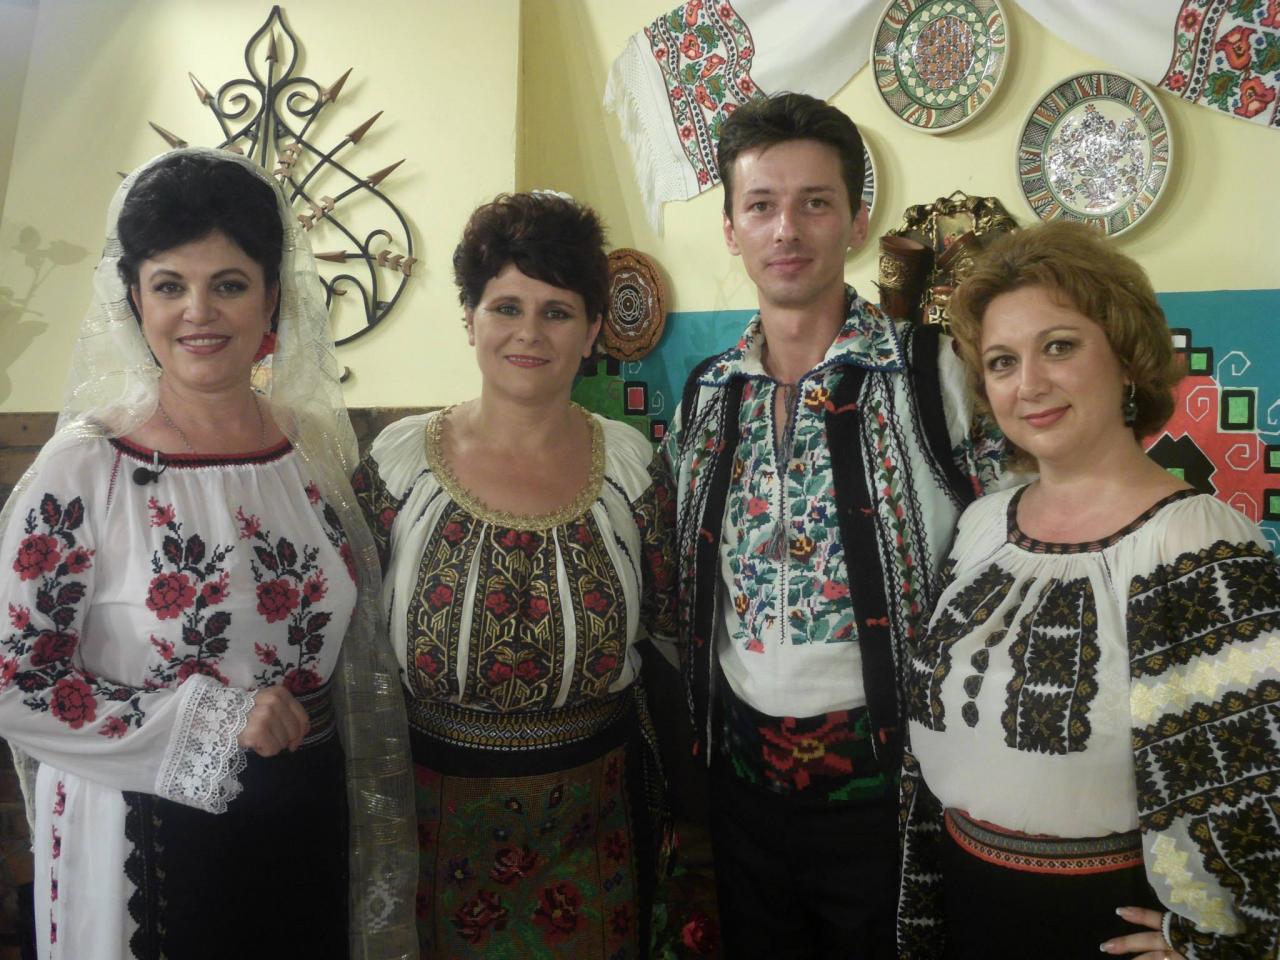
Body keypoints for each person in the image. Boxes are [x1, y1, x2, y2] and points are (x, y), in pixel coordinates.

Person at [0, 148, 416, 960]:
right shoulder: (88, 467)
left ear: (272, 298)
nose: (199, 313)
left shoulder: (310, 446)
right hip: (148, 837)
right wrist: (214, 722)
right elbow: (14, 681)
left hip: (304, 819)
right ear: (134, 299)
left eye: (228, 284)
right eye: (169, 286)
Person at [661, 92, 993, 958]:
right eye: (760, 205)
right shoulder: (706, 395)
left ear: (856, 221)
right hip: (740, 792)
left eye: (815, 202)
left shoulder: (935, 376)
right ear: (730, 229)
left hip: (894, 795)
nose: (787, 230)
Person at [897, 221, 1280, 959]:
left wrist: (1220, 945)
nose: (1029, 384)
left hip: (1104, 921)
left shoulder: (1198, 543)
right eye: (1003, 362)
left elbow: (1262, 775)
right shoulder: (982, 525)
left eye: (1059, 346)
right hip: (968, 902)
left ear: (1127, 359)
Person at [352, 191, 677, 958]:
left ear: (592, 330)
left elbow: (671, 627)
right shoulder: (400, 464)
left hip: (596, 825)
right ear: (470, 318)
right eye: (506, 307)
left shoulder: (630, 467)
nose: (529, 332)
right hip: (428, 826)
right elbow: (352, 643)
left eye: (557, 312)